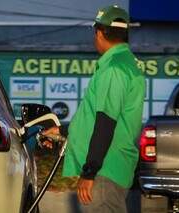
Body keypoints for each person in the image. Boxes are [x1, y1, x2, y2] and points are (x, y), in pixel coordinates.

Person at [43, 5, 145, 213]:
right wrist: (62, 130)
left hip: (104, 171)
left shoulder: (113, 69)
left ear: (99, 33)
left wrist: (90, 172)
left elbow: (106, 122)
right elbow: (98, 119)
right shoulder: (126, 64)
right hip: (112, 167)